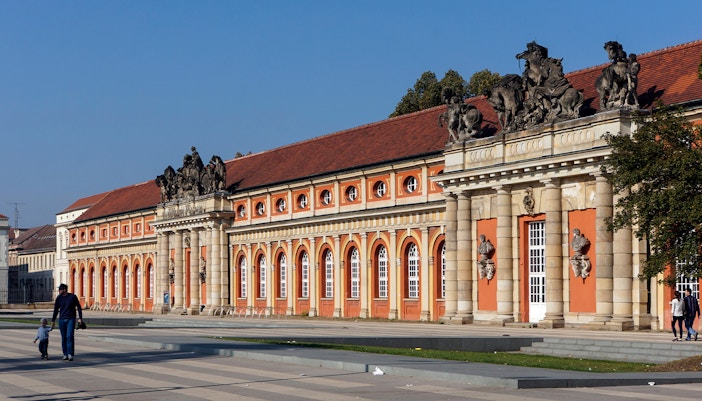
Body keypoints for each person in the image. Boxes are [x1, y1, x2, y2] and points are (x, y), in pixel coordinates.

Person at [51, 283, 83, 361]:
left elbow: (79, 307)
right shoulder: (59, 298)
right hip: (62, 319)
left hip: (70, 319)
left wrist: (80, 318)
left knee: (69, 336)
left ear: (64, 290)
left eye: (60, 289)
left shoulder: (72, 297)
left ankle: (70, 354)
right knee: (64, 337)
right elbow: (56, 310)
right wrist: (53, 320)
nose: (59, 291)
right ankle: (65, 354)